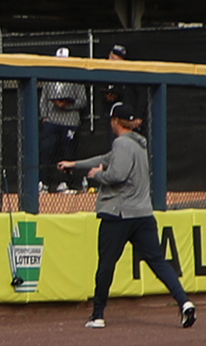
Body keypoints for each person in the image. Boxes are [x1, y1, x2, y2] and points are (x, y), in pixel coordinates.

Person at [59, 101, 192, 329]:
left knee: (106, 264)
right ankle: (185, 302)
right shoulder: (137, 144)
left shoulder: (121, 143)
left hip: (118, 214)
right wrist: (76, 164)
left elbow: (116, 174)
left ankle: (98, 315)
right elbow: (105, 158)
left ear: (115, 121)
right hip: (143, 215)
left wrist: (96, 175)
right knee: (158, 262)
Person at [38, 51, 84, 179]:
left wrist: (67, 105)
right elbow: (43, 99)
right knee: (46, 150)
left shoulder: (76, 77)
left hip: (70, 121)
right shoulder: (50, 77)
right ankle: (44, 181)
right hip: (52, 120)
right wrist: (45, 117)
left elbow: (82, 101)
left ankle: (66, 182)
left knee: (68, 152)